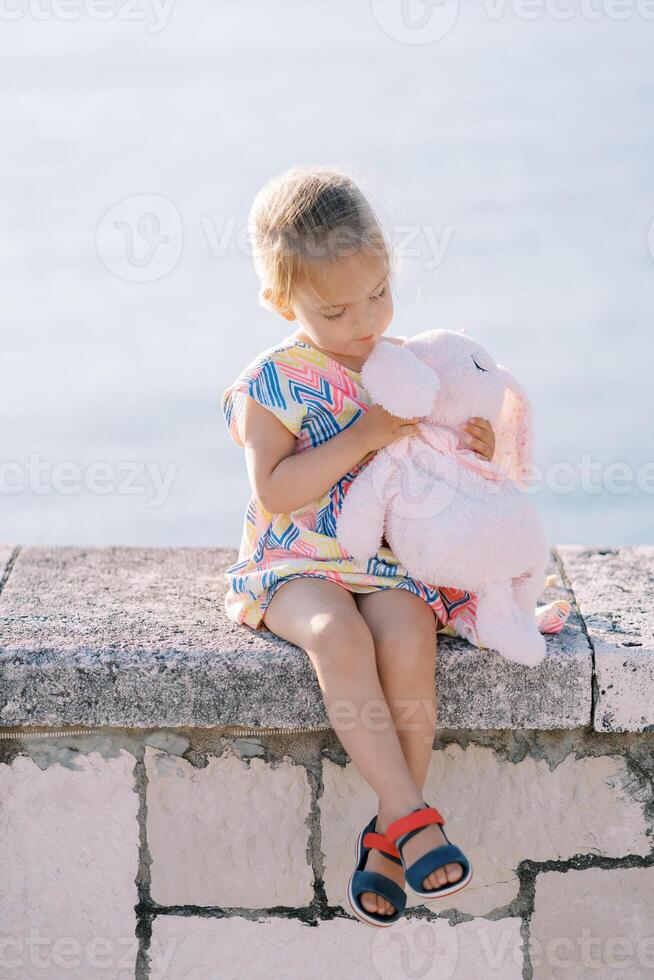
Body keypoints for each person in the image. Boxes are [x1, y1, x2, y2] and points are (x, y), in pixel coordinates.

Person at [220, 165, 569, 926]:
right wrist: (365, 434)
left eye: (379, 293)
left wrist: (474, 440)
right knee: (335, 634)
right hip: (298, 557)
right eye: (337, 309)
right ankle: (411, 813)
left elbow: (453, 453)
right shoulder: (272, 382)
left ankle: (386, 837)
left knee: (408, 636)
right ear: (284, 304)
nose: (365, 320)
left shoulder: (406, 362)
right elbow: (276, 492)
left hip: (382, 558)